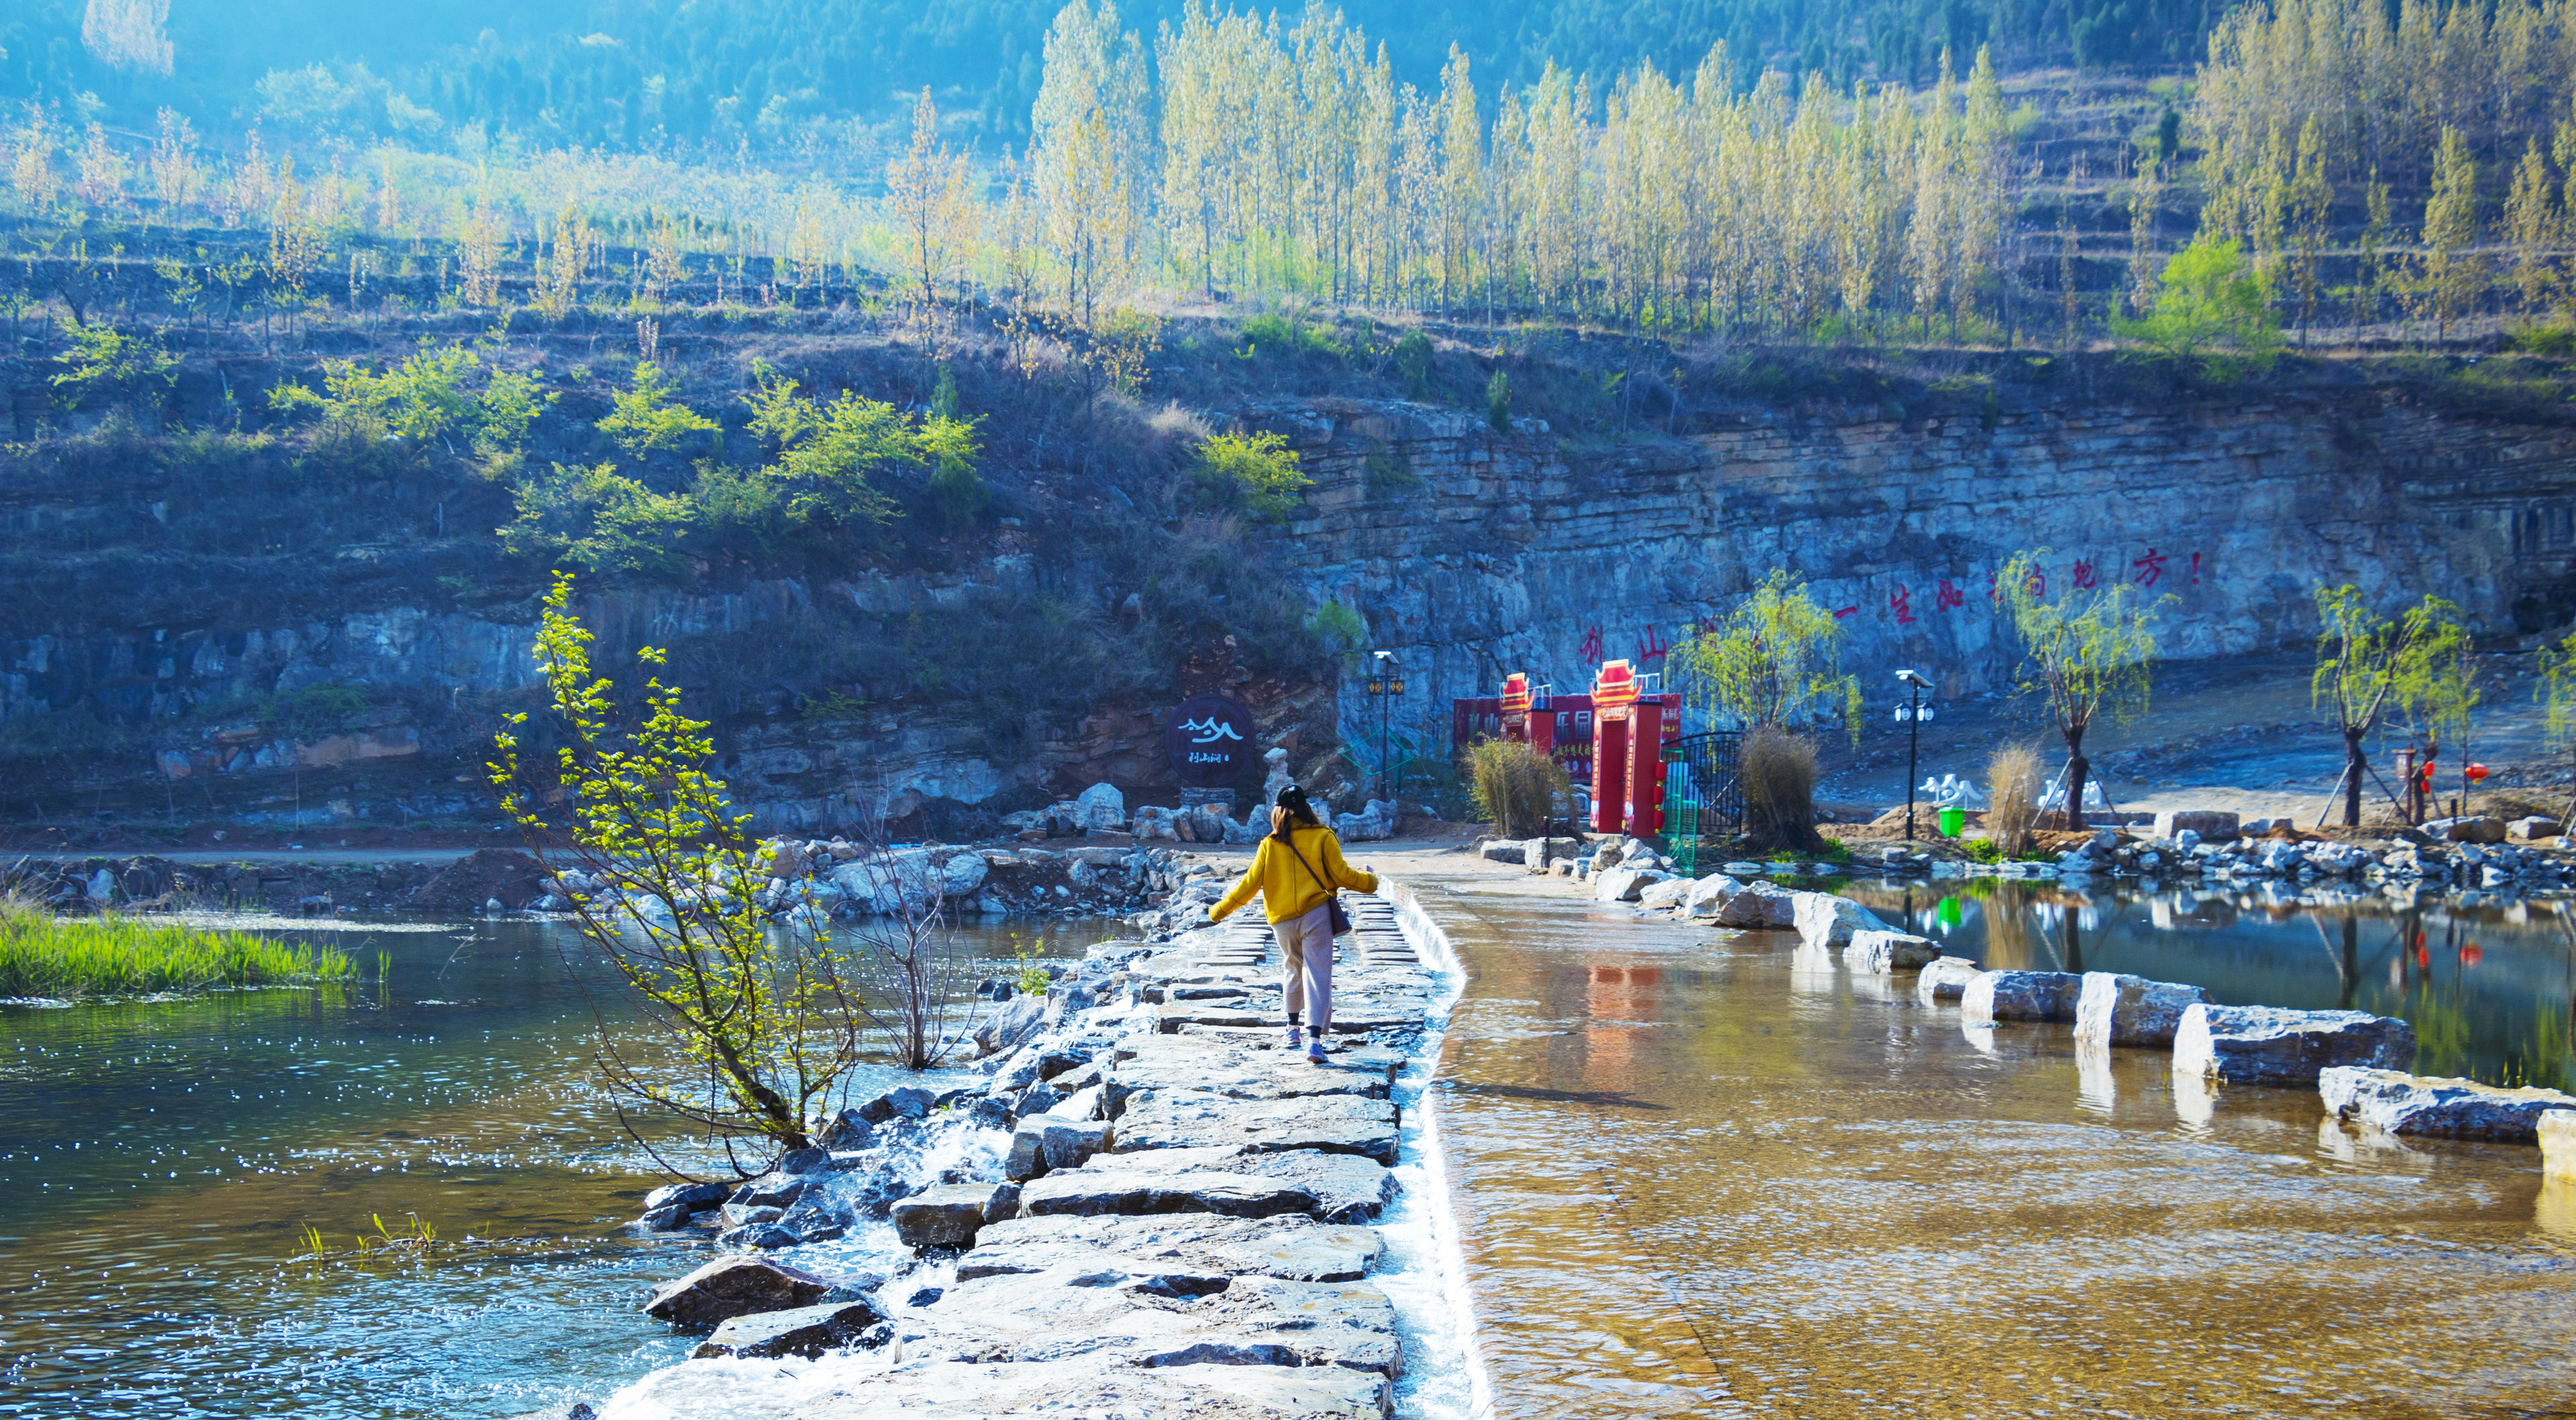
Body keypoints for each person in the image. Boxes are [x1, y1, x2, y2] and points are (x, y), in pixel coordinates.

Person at [1207, 784, 1377, 1064]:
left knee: (1292, 967)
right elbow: (1343, 875)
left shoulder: (1269, 845)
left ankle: (1292, 1031)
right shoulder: (1323, 836)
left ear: (1277, 812)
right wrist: (1371, 881)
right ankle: (1314, 1043)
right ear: (1307, 808)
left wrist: (1218, 912)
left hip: (1282, 920)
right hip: (1316, 915)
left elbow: (1248, 886)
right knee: (1318, 973)